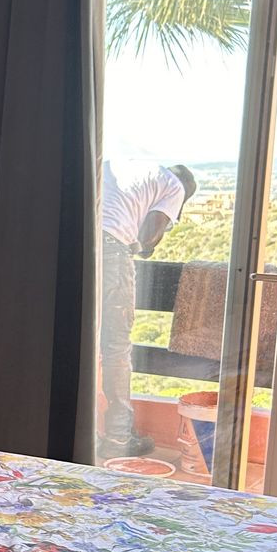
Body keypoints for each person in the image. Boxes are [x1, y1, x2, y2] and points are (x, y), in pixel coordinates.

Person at [100, 159, 197, 458]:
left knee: (76, 342)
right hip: (111, 250)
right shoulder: (175, 185)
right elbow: (147, 236)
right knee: (116, 347)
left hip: (75, 243)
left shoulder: (129, 169)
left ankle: (73, 433)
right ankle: (118, 439)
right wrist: (144, 246)